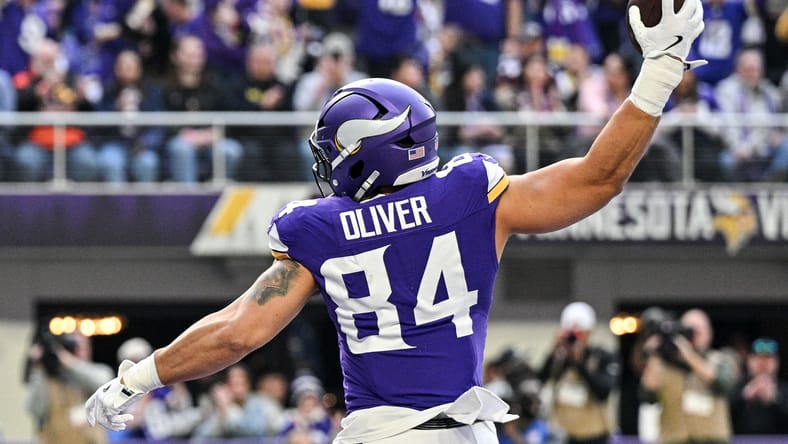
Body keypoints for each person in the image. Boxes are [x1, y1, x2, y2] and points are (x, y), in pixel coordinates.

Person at [85, 0, 706, 441]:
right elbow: (600, 176)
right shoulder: (471, 193)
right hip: (467, 433)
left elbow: (236, 334)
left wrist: (136, 377)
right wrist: (658, 72)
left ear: (364, 156)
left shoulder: (318, 229)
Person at [639, 308, 739, 444]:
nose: (694, 337)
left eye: (698, 332)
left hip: (712, 440)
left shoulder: (720, 359)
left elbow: (723, 384)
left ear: (709, 334)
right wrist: (655, 354)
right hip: (674, 439)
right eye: (690, 332)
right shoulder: (664, 365)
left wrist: (688, 354)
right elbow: (647, 396)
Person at [538, 302, 619, 444]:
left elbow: (604, 391)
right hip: (564, 435)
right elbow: (540, 380)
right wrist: (554, 351)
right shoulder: (561, 359)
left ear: (589, 332)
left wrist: (579, 362)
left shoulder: (601, 356)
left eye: (579, 333)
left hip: (594, 435)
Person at [26, 331, 113, 444]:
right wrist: (39, 368)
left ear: (88, 349)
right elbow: (35, 409)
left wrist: (69, 361)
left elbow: (104, 387)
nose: (75, 351)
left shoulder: (100, 372)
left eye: (79, 346)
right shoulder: (48, 380)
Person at [729, 337, 788, 434]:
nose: (763, 364)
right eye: (759, 358)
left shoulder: (784, 390)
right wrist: (744, 396)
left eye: (767, 359)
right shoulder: (736, 387)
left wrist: (775, 399)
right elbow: (722, 417)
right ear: (749, 361)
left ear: (776, 363)